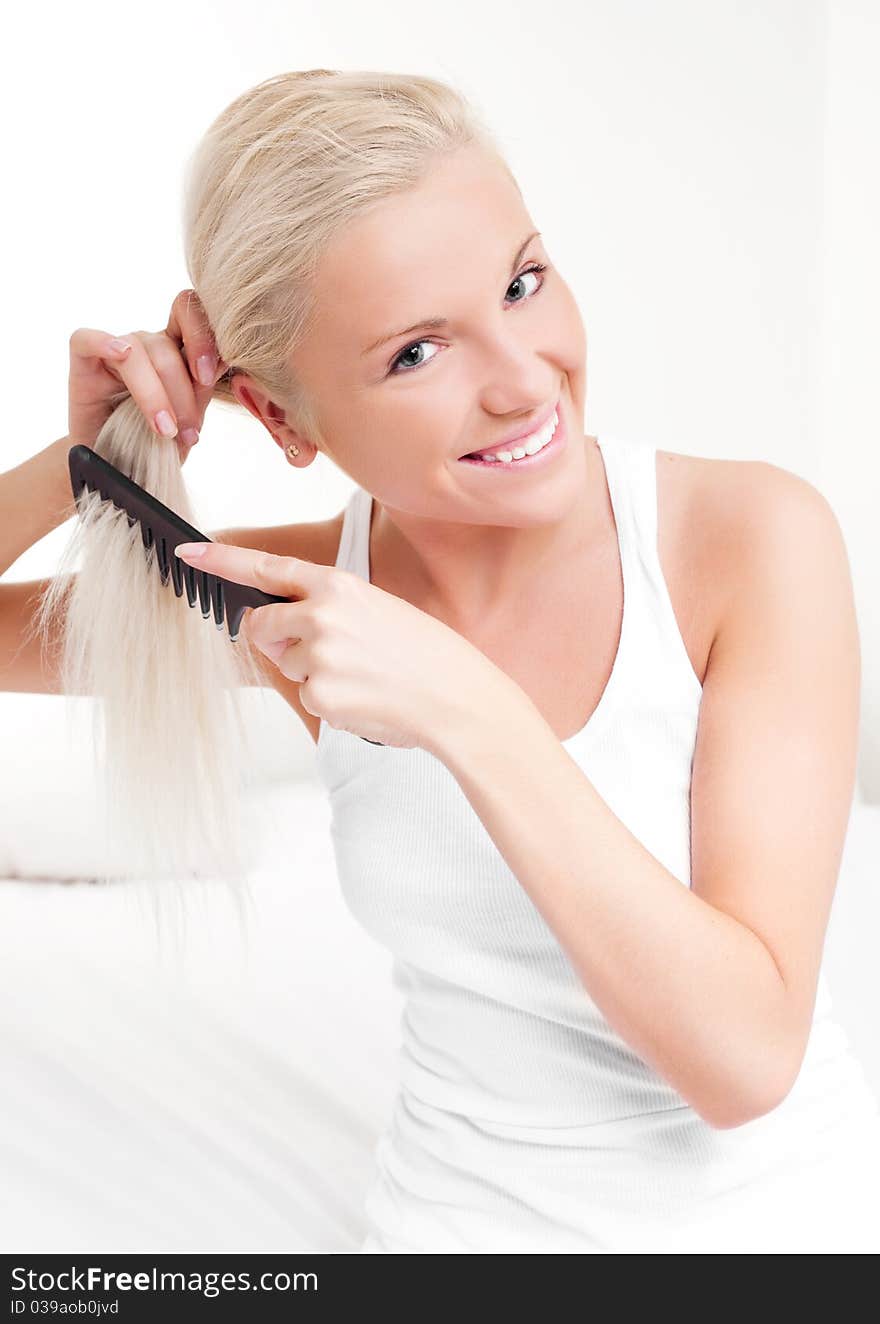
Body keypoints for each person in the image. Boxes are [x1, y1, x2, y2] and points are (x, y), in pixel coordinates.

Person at [2, 68, 878, 1252]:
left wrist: (468, 711)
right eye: (417, 353)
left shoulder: (748, 540)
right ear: (285, 421)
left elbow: (745, 1059)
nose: (524, 379)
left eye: (522, 283)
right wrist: (81, 460)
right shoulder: (297, 606)